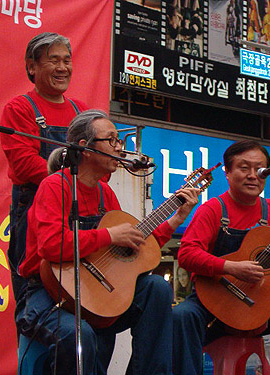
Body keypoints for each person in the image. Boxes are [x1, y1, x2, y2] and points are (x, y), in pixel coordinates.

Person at [16, 109, 200, 375]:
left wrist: (175, 219)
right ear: (85, 148)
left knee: (156, 288)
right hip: (46, 292)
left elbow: (134, 248)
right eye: (112, 140)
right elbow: (50, 245)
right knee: (79, 335)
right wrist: (109, 235)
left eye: (119, 141)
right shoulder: (55, 186)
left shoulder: (106, 194)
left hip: (96, 295)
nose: (119, 147)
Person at [173, 140, 270, 375]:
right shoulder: (213, 209)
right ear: (227, 173)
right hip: (214, 308)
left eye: (259, 170)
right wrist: (230, 267)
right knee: (181, 315)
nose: (252, 176)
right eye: (243, 168)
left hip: (261, 307)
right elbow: (186, 254)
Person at [0, 32, 89, 309]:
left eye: (67, 60)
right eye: (53, 61)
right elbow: (25, 163)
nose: (63, 68)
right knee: (33, 298)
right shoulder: (19, 108)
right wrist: (75, 177)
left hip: (80, 215)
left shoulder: (82, 111)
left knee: (85, 300)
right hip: (33, 212)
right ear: (31, 66)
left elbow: (101, 167)